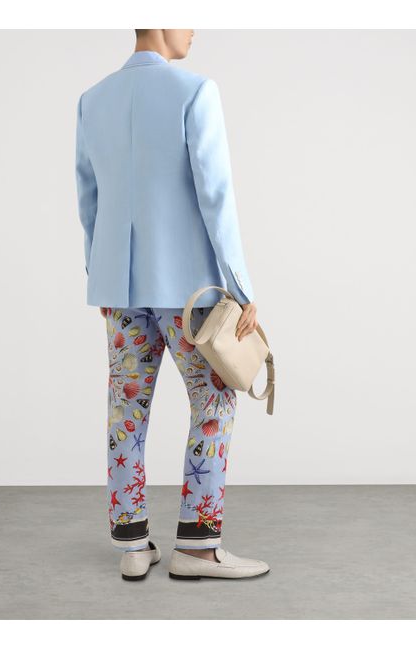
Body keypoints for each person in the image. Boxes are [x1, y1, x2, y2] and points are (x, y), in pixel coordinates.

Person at [75, 29, 269, 581]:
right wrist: (241, 286)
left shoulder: (93, 99)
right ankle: (198, 548)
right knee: (215, 402)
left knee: (125, 410)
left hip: (119, 289)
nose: (193, 30)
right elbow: (216, 195)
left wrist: (99, 274)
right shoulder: (195, 91)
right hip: (188, 294)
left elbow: (88, 198)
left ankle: (133, 545)